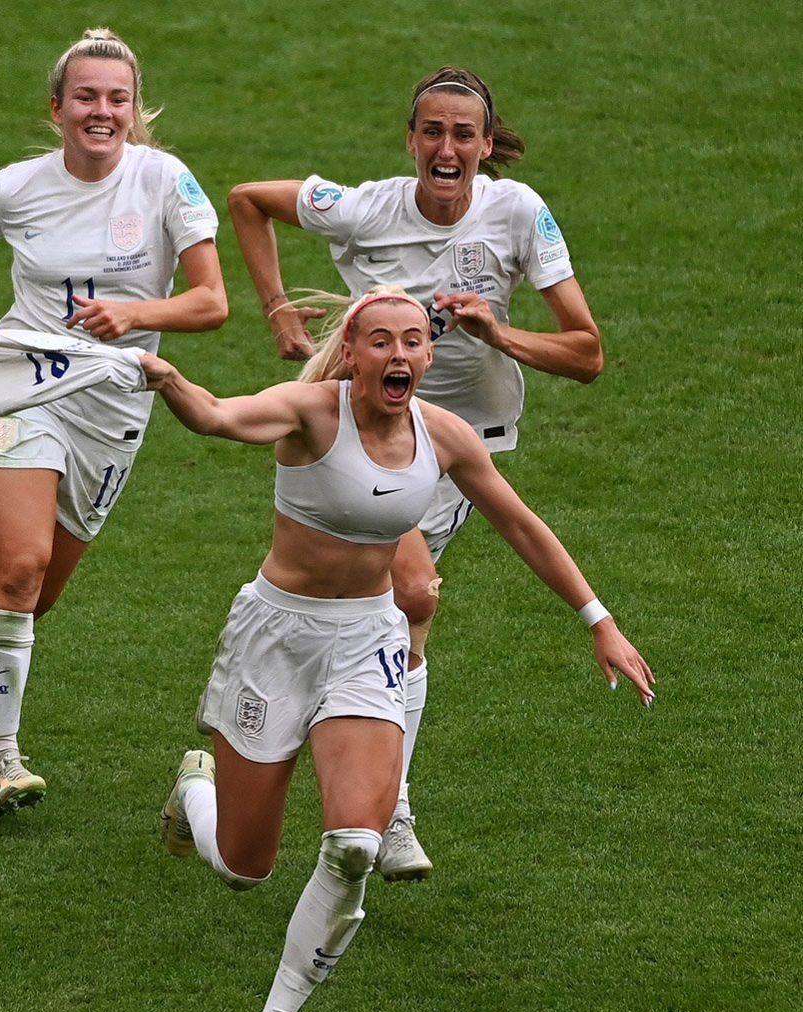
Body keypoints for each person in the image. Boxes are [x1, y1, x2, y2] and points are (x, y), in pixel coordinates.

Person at [144, 287, 654, 1012]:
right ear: (352, 351)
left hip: (367, 639)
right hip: (276, 636)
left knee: (354, 845)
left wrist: (599, 619)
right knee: (245, 865)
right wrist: (169, 381)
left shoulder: (442, 435)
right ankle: (194, 793)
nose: (400, 355)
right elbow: (217, 416)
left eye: (414, 341)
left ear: (428, 354)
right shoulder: (309, 412)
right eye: (381, 341)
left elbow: (520, 522)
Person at [226, 67, 603, 880]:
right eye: (431, 131)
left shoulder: (518, 213)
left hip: (459, 444)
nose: (446, 147)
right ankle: (381, 807)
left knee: (398, 604)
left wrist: (499, 335)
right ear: (410, 140)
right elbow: (248, 200)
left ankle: (330, 768)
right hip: (356, 434)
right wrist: (277, 310)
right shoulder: (362, 208)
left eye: (463, 134)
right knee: (410, 597)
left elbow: (586, 354)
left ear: (484, 144)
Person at [0, 29, 227, 814]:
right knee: (18, 574)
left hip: (113, 404)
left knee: (35, 594)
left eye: (116, 99)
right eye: (85, 97)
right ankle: (2, 759)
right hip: (20, 386)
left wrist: (136, 313)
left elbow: (211, 303)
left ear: (133, 110)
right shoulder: (19, 186)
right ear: (57, 108)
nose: (101, 111)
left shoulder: (166, 182)